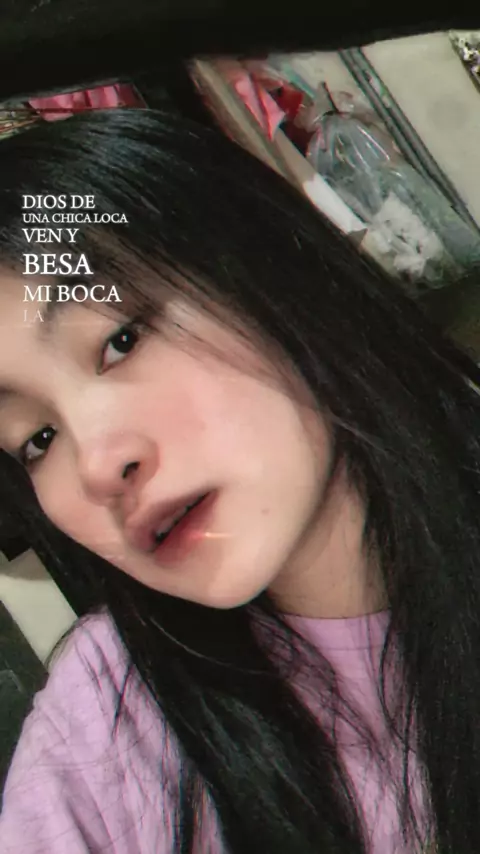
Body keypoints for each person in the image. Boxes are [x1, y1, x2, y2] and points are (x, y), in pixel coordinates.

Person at [0, 108, 479, 854]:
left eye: (122, 339)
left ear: (273, 273)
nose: (96, 466)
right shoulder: (103, 733)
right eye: (37, 439)